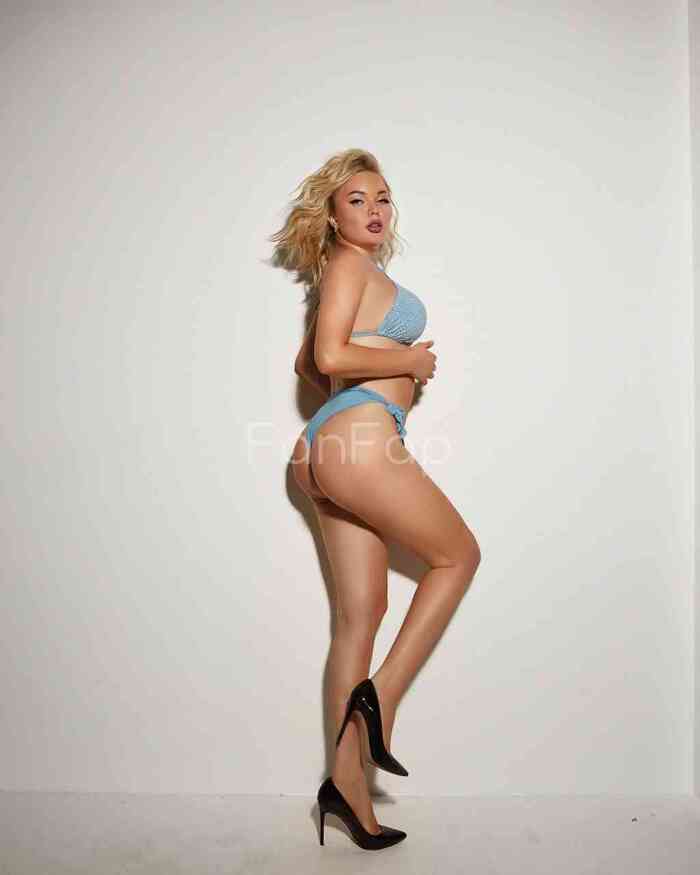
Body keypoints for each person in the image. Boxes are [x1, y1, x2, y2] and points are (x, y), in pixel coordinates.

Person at [269, 148, 481, 850]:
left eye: (382, 197)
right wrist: (408, 361)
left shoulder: (352, 272)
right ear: (333, 216)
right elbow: (330, 359)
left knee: (359, 618)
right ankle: (378, 700)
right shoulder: (348, 264)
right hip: (359, 443)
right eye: (356, 199)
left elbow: (307, 360)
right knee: (458, 557)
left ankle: (347, 786)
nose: (374, 209)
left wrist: (363, 377)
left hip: (326, 449)